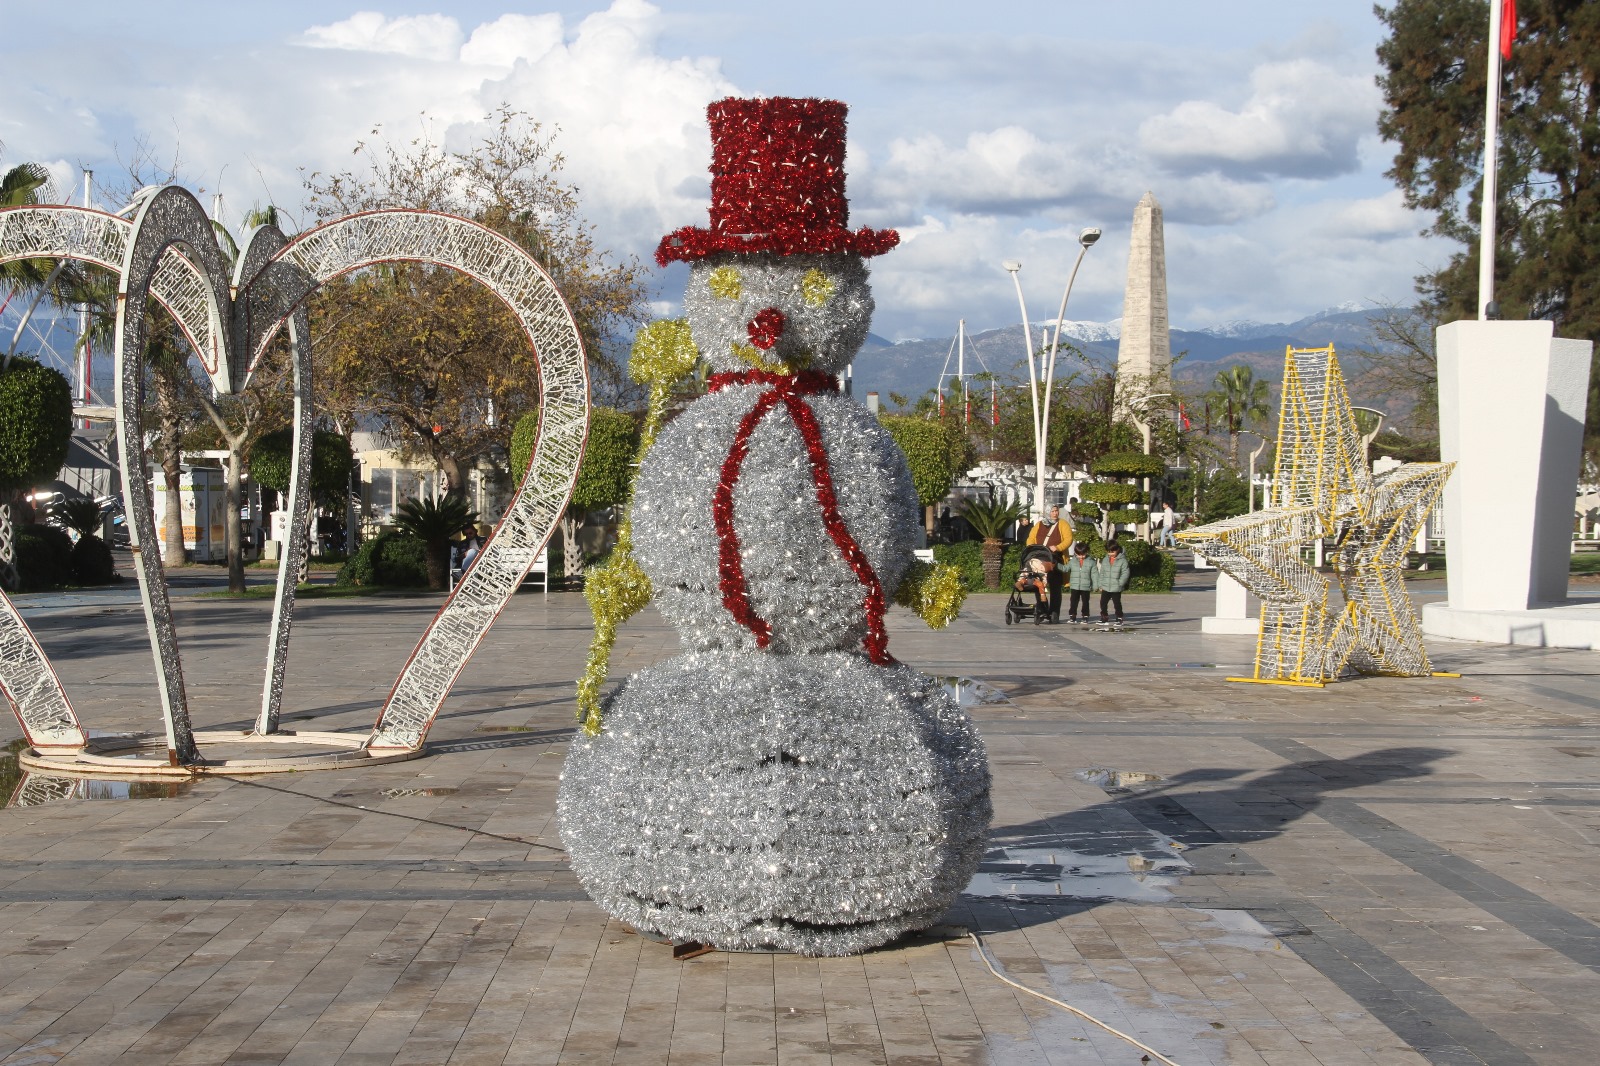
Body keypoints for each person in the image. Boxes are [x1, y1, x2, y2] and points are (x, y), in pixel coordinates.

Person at [1025, 505, 1073, 622]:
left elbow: (1068, 539)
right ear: (1047, 512)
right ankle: (1042, 609)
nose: (1055, 513)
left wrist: (1057, 547)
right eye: (1052, 511)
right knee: (1039, 585)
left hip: (1055, 559)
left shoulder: (1063, 524)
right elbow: (1030, 538)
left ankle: (1054, 613)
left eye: (1056, 511)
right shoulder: (1039, 524)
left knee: (1055, 587)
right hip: (1039, 560)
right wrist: (1032, 548)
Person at [1097, 539, 1130, 624]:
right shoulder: (1105, 560)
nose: (1110, 554)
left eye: (1112, 552)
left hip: (1116, 587)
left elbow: (1125, 573)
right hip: (1106, 586)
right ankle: (1104, 616)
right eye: (1109, 552)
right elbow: (1102, 573)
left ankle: (1119, 617)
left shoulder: (1123, 561)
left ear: (1118, 550)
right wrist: (1100, 585)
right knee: (1103, 603)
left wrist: (1120, 583)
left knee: (1117, 604)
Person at [1064, 540, 1096, 623]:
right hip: (1075, 585)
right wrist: (1056, 565)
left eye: (1083, 554)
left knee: (1085, 602)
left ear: (1086, 552)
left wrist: (1096, 585)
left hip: (1085, 586)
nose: (1081, 556)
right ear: (1075, 553)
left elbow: (1094, 574)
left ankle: (1085, 616)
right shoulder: (1072, 561)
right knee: (1073, 602)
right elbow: (1065, 568)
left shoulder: (1091, 562)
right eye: (1079, 555)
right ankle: (1072, 616)